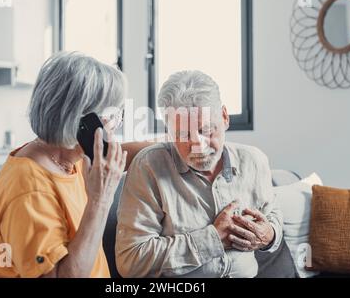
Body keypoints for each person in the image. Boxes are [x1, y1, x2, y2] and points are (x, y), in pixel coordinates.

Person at [0, 51, 152, 278]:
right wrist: (101, 199)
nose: (117, 125)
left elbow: (119, 153)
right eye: (113, 116)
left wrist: (174, 146)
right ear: (82, 123)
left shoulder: (66, 156)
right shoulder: (30, 188)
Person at [115, 70, 283, 278]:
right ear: (169, 131)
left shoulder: (254, 161)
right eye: (183, 135)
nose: (198, 146)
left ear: (224, 117)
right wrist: (212, 239)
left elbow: (272, 214)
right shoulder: (148, 166)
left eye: (206, 130)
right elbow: (131, 261)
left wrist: (270, 235)